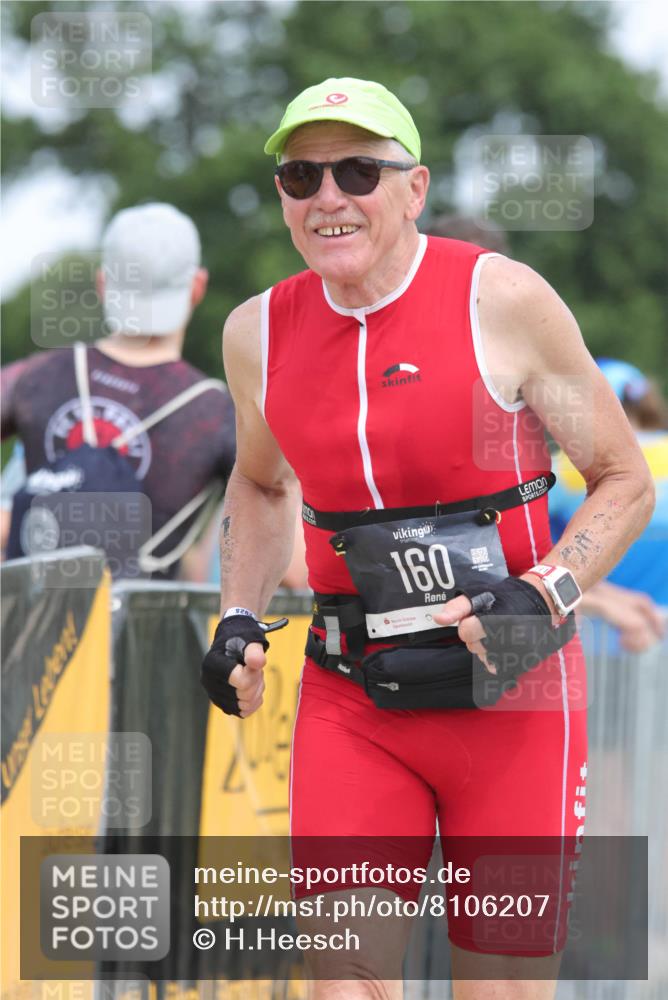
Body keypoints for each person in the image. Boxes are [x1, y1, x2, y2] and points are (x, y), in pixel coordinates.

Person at [200, 78, 654, 998]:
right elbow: (258, 481)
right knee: (345, 983)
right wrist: (236, 619)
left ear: (415, 188)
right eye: (301, 176)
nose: (328, 198)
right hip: (351, 702)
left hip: (513, 703)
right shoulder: (256, 333)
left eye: (358, 171)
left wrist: (543, 594)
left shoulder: (504, 300)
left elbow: (623, 477)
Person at [1, 203, 236, 579]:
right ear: (197, 287)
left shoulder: (32, 377)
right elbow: (292, 569)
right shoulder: (218, 412)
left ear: (103, 283)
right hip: (141, 633)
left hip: (26, 629)